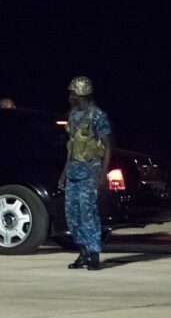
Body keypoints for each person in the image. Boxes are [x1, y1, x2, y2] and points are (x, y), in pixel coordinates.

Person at [58, 76, 112, 271]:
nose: (70, 96)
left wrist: (102, 176)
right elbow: (72, 148)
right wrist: (64, 174)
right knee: (72, 215)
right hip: (73, 171)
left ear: (80, 93)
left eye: (73, 92)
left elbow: (107, 147)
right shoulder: (73, 115)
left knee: (88, 214)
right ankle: (83, 253)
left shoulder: (97, 115)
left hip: (90, 172)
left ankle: (94, 253)